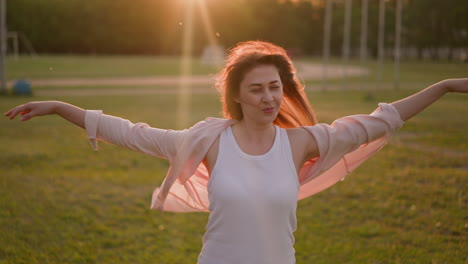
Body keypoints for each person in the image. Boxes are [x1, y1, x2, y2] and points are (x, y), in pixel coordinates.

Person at [4, 41, 468, 264]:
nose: (269, 98)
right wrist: (63, 107)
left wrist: (445, 86)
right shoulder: (207, 142)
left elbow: (380, 119)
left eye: (275, 88)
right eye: (257, 90)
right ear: (238, 97)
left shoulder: (301, 142)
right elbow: (131, 133)